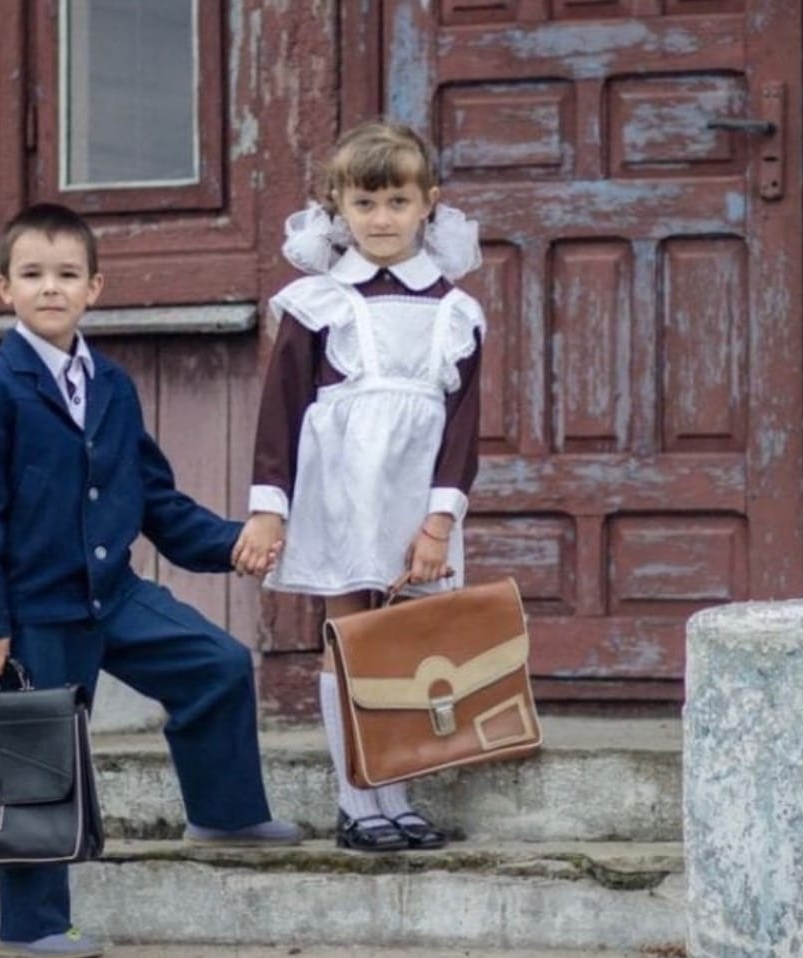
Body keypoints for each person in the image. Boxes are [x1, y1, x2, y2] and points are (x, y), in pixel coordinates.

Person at [0, 202, 299, 958]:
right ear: (3, 287)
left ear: (94, 287)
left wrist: (234, 544)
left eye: (67, 274)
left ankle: (225, 813)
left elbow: (155, 499)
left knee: (219, 664)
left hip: (117, 596)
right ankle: (33, 924)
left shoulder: (112, 385)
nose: (50, 288)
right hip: (37, 615)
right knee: (42, 757)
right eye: (32, 274)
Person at [234, 120, 485, 852]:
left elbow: (463, 426)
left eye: (398, 202)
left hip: (416, 502)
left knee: (404, 641)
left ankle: (397, 792)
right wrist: (267, 513)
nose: (381, 219)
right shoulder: (317, 302)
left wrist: (439, 523)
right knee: (349, 639)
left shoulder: (454, 311)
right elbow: (278, 415)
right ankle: (357, 801)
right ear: (337, 207)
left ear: (428, 204)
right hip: (343, 493)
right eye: (365, 203)